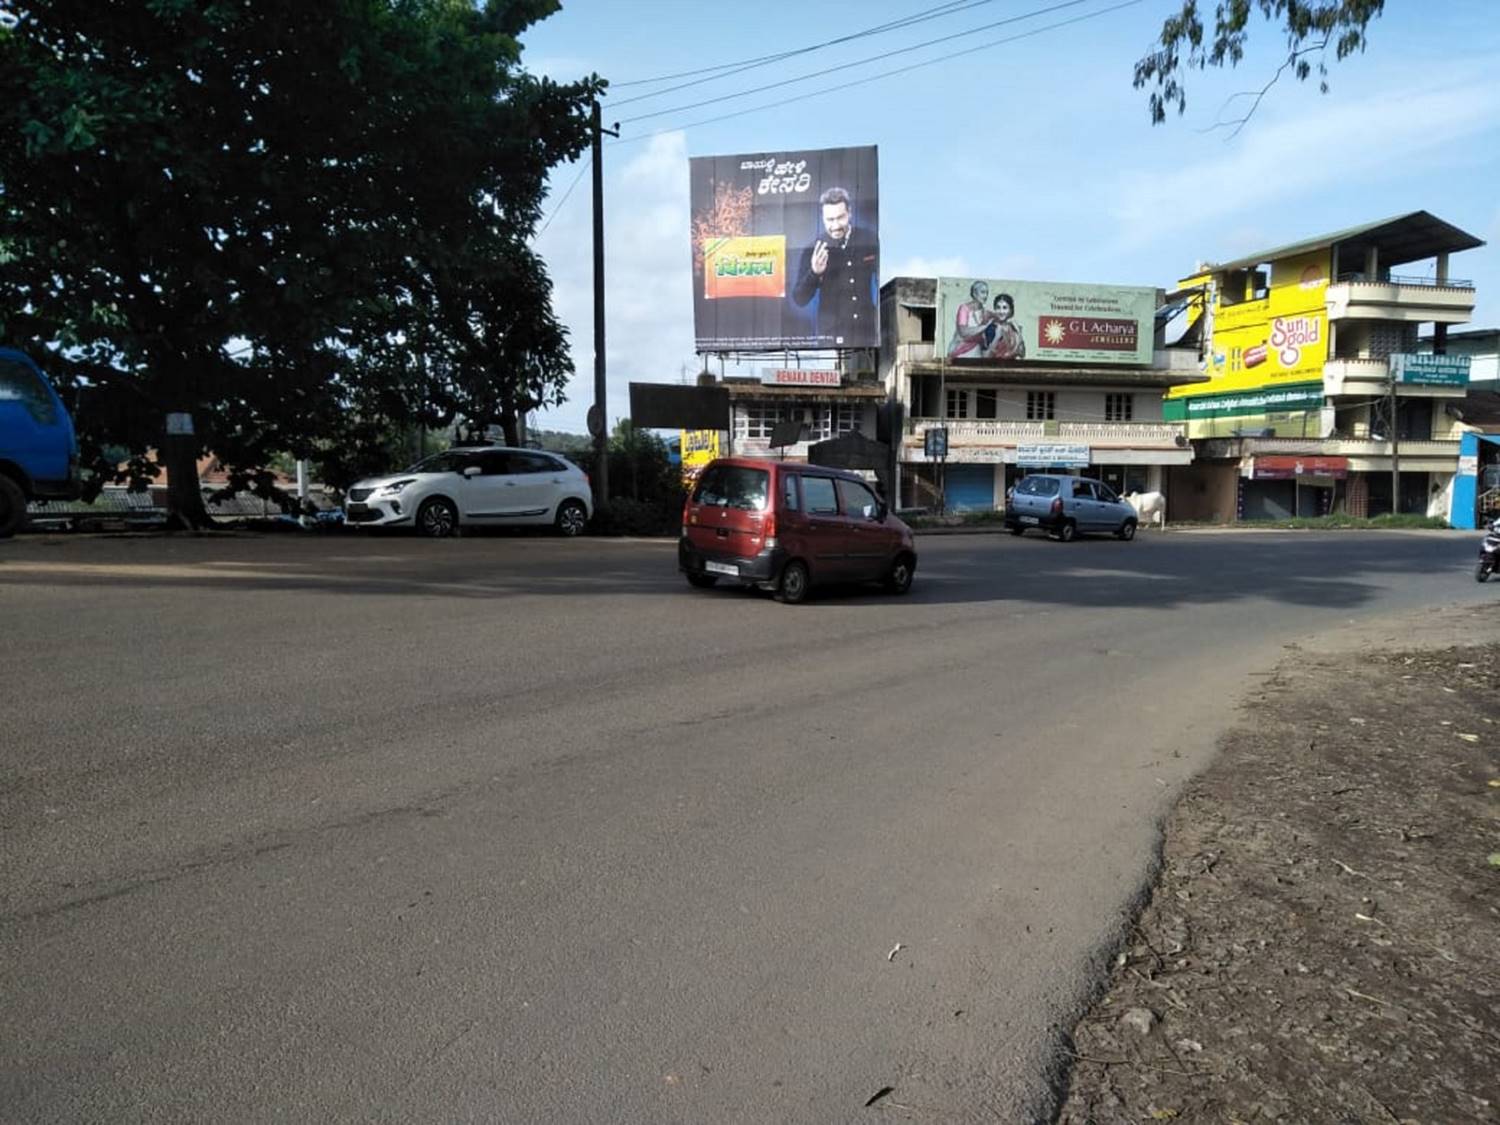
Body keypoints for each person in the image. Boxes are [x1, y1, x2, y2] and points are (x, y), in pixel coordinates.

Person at [790, 187, 878, 346]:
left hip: (866, 332)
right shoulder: (813, 249)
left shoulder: (869, 238)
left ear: (849, 213)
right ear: (822, 218)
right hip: (832, 337)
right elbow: (799, 299)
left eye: (840, 218)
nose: (836, 225)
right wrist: (814, 273)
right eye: (830, 220)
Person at [947, 280, 991, 358]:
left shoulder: (985, 312)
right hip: (962, 350)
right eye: (983, 292)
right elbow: (963, 331)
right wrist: (984, 327)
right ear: (974, 293)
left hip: (977, 351)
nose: (985, 296)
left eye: (987, 293)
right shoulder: (964, 309)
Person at [983, 292, 1026, 360]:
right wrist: (997, 337)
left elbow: (1022, 354)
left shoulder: (1013, 327)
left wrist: (1019, 334)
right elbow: (985, 357)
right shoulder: (991, 328)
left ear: (1010, 310)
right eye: (998, 308)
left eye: (1005, 308)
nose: (1001, 311)